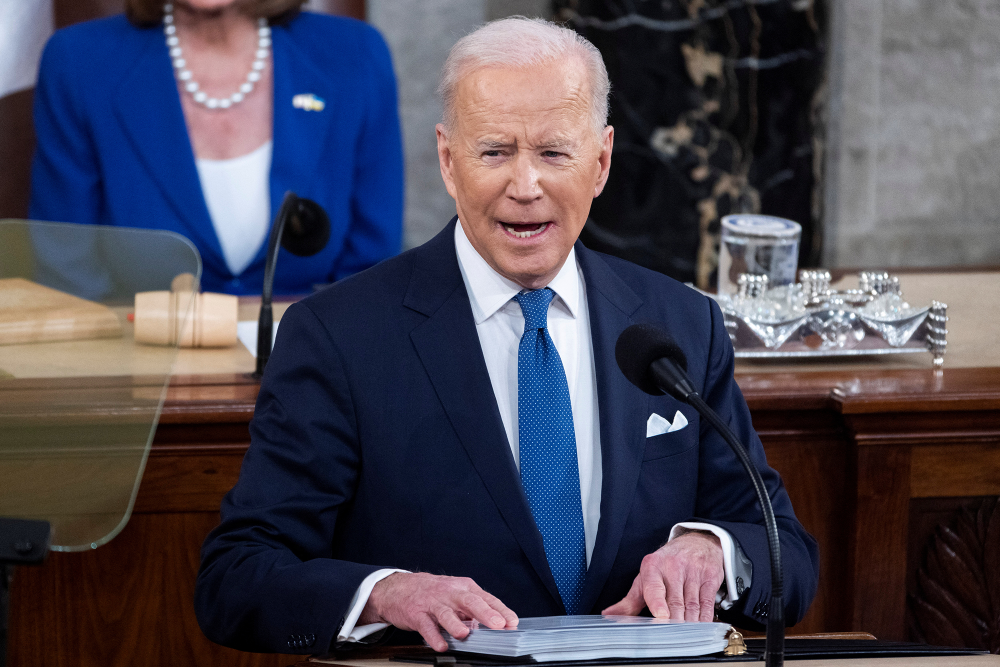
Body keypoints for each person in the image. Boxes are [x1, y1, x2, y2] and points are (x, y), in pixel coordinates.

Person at [195, 17, 819, 655]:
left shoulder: (680, 324)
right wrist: (384, 593)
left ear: (601, 161)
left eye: (554, 153)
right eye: (494, 152)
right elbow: (237, 576)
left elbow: (787, 555)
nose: (526, 187)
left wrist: (712, 549)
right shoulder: (338, 336)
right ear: (448, 160)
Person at [28, 0, 402, 296]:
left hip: (314, 367)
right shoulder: (77, 63)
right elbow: (68, 273)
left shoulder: (356, 56)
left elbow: (372, 268)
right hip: (139, 366)